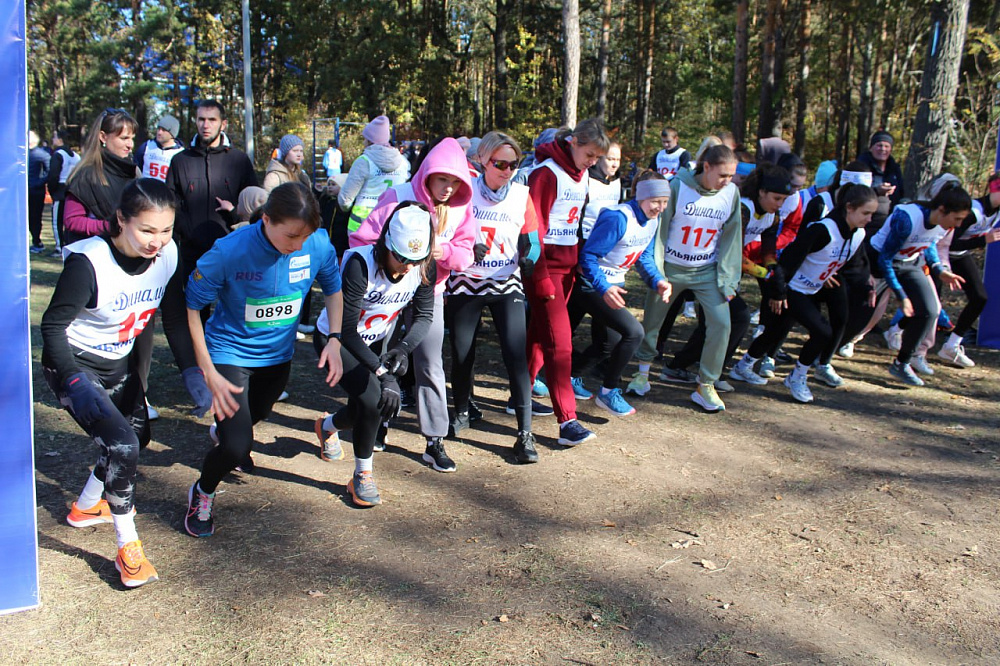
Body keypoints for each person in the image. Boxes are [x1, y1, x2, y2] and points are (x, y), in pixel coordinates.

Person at [40, 179, 207, 587]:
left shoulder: (168, 255)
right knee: (122, 445)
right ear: (120, 219)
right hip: (74, 365)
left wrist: (193, 376)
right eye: (147, 230)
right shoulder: (88, 262)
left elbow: (173, 318)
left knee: (137, 440)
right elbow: (52, 328)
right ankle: (127, 547)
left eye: (166, 230)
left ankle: (84, 508)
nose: (158, 241)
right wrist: (74, 381)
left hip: (120, 365)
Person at [183, 182, 344, 537]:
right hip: (229, 353)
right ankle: (203, 491)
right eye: (291, 236)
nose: (298, 245)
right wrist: (207, 369)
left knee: (258, 414)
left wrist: (334, 338)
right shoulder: (230, 251)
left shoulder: (315, 243)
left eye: (306, 236)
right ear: (266, 220)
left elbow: (332, 287)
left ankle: (226, 431)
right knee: (237, 445)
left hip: (277, 356)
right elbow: (192, 307)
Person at [350, 137, 475, 472]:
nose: (448, 188)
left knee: (429, 364)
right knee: (380, 358)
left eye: (455, 181)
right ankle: (378, 426)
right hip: (387, 294)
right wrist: (388, 263)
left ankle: (435, 440)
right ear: (427, 174)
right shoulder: (398, 196)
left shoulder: (462, 209)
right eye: (442, 179)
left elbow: (467, 253)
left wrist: (442, 252)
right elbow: (361, 238)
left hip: (428, 294)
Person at [313, 204, 437, 505]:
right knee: (373, 398)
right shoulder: (359, 263)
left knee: (365, 407)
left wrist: (403, 349)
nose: (407, 267)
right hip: (338, 340)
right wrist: (384, 375)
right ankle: (362, 476)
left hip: (378, 340)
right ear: (385, 243)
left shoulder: (423, 266)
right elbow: (346, 328)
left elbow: (423, 316)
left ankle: (327, 426)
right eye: (401, 257)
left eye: (415, 260)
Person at [732, 182, 879, 401]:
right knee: (822, 331)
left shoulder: (857, 234)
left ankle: (743, 365)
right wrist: (778, 293)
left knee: (775, 331)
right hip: (792, 289)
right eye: (865, 213)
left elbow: (853, 265)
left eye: (872, 214)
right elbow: (788, 260)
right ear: (849, 207)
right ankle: (797, 375)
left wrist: (866, 286)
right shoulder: (821, 230)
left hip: (814, 288)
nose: (869, 219)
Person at [445, 131, 542, 463]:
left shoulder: (521, 194)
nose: (508, 170)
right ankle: (461, 411)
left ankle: (525, 434)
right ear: (482, 161)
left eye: (514, 164)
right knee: (461, 353)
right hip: (465, 282)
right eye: (500, 163)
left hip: (505, 282)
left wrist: (529, 257)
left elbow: (533, 238)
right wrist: (467, 247)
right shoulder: (464, 192)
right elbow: (446, 232)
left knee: (515, 355)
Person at [627, 145, 741, 412]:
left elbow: (733, 236)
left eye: (732, 176)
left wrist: (729, 278)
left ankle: (706, 385)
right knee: (654, 319)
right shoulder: (678, 186)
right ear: (707, 167)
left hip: (707, 271)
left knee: (722, 323)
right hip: (672, 267)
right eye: (723, 175)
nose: (728, 181)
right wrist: (657, 272)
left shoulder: (731, 194)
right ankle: (642, 372)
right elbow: (660, 229)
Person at [525, 119, 610, 445]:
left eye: (596, 157)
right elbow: (533, 231)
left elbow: (573, 225)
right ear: (573, 142)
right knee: (560, 345)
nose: (592, 162)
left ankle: (518, 394)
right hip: (544, 271)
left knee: (538, 338)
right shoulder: (546, 174)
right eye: (589, 154)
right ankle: (568, 421)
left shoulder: (582, 173)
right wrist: (542, 277)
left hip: (568, 271)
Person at [577, 170, 672, 416]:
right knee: (633, 332)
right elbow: (587, 257)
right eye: (655, 201)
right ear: (640, 197)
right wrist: (604, 287)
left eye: (664, 202)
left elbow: (645, 256)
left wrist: (657, 280)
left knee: (608, 344)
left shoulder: (653, 220)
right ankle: (608, 392)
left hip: (613, 287)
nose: (660, 207)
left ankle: (570, 376)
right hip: (590, 286)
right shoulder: (618, 218)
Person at [867, 181, 971, 385]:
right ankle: (828, 352)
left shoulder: (943, 224)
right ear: (942, 210)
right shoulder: (907, 218)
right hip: (878, 261)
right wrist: (901, 296)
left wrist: (939, 270)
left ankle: (902, 363)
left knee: (930, 311)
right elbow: (885, 259)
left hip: (910, 264)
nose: (958, 225)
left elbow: (930, 242)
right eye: (956, 218)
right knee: (863, 315)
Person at [167, 99, 258, 278]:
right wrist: (185, 230)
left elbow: (253, 205)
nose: (205, 125)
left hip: (232, 247)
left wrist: (233, 216)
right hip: (192, 252)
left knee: (232, 304)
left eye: (212, 120)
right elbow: (170, 201)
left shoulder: (239, 160)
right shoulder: (180, 160)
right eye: (201, 119)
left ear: (223, 124)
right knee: (194, 304)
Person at [935, 172, 1000, 366]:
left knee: (980, 297)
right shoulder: (974, 211)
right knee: (931, 303)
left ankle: (952, 344)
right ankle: (898, 329)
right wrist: (983, 240)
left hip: (960, 255)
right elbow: (949, 243)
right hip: (939, 254)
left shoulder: (996, 211)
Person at [338, 115, 411, 233]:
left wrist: (345, 208)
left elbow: (345, 199)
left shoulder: (364, 161)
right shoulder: (403, 162)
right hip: (391, 221)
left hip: (361, 224)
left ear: (370, 140)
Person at [857, 130, 904, 228]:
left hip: (890, 219)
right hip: (866, 221)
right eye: (879, 145)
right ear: (871, 148)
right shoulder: (862, 166)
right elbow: (855, 193)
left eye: (886, 146)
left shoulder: (895, 169)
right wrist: (877, 191)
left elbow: (901, 192)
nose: (883, 149)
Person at [46, 129, 81, 256]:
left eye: (54, 137)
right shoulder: (76, 156)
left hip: (60, 191)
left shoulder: (58, 154)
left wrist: (52, 190)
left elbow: (53, 176)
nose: (53, 140)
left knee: (57, 222)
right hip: (73, 191)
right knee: (69, 221)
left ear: (60, 139)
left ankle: (59, 247)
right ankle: (68, 244)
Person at [134, 114, 184, 182]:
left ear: (172, 134)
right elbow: (134, 167)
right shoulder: (147, 147)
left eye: (164, 130)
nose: (159, 132)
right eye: (159, 128)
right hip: (144, 190)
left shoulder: (180, 153)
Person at [28, 130, 51, 253]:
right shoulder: (24, 153)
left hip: (36, 192)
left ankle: (37, 242)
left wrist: (38, 183)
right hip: (26, 191)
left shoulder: (41, 154)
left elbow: (50, 171)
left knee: (35, 217)